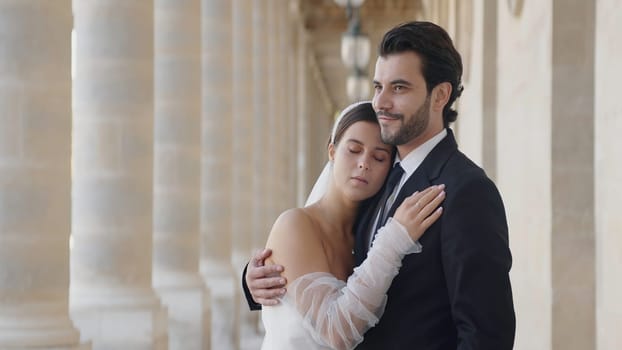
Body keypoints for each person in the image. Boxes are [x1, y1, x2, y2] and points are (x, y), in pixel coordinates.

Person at [244, 21, 516, 349]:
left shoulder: (466, 191)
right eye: (377, 87)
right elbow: (335, 259)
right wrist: (259, 277)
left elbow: (486, 336)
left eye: (399, 88)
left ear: (440, 95)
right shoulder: (377, 182)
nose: (381, 102)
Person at [258, 101, 445, 349]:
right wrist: (395, 239)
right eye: (354, 150)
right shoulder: (294, 225)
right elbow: (335, 332)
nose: (364, 163)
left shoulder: (366, 234)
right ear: (332, 151)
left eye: (379, 157)